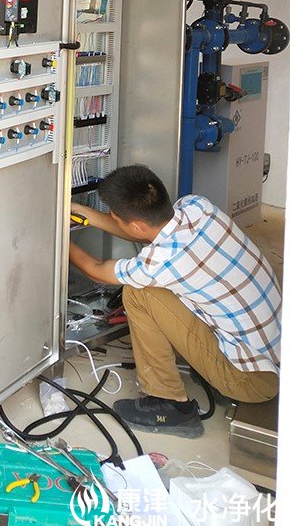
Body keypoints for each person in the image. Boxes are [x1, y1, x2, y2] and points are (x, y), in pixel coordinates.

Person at [69, 164, 281, 438]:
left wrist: (57, 235)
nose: (111, 217)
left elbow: (96, 269)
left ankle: (169, 404)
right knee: (154, 289)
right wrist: (83, 212)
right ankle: (204, 374)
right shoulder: (196, 207)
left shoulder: (160, 261)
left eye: (114, 215)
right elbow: (139, 230)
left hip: (251, 381)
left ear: (135, 223)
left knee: (139, 293)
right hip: (272, 358)